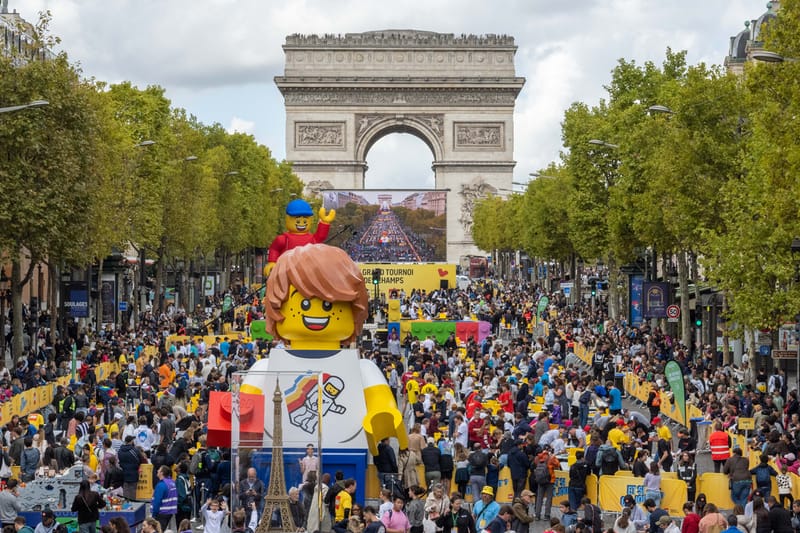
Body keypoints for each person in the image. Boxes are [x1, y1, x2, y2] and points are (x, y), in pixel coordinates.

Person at [533, 446, 560, 521]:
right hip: (550, 480)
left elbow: (535, 463)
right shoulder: (551, 457)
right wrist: (553, 456)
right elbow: (557, 464)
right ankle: (547, 515)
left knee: (539, 498)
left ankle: (537, 514)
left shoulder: (538, 457)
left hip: (540, 479)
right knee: (549, 498)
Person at [151, 465, 178, 532]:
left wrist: (153, 515)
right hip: (170, 511)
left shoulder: (161, 485)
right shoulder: (172, 482)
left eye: (159, 470)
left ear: (162, 473)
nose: (157, 471)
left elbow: (157, 501)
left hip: (161, 512)